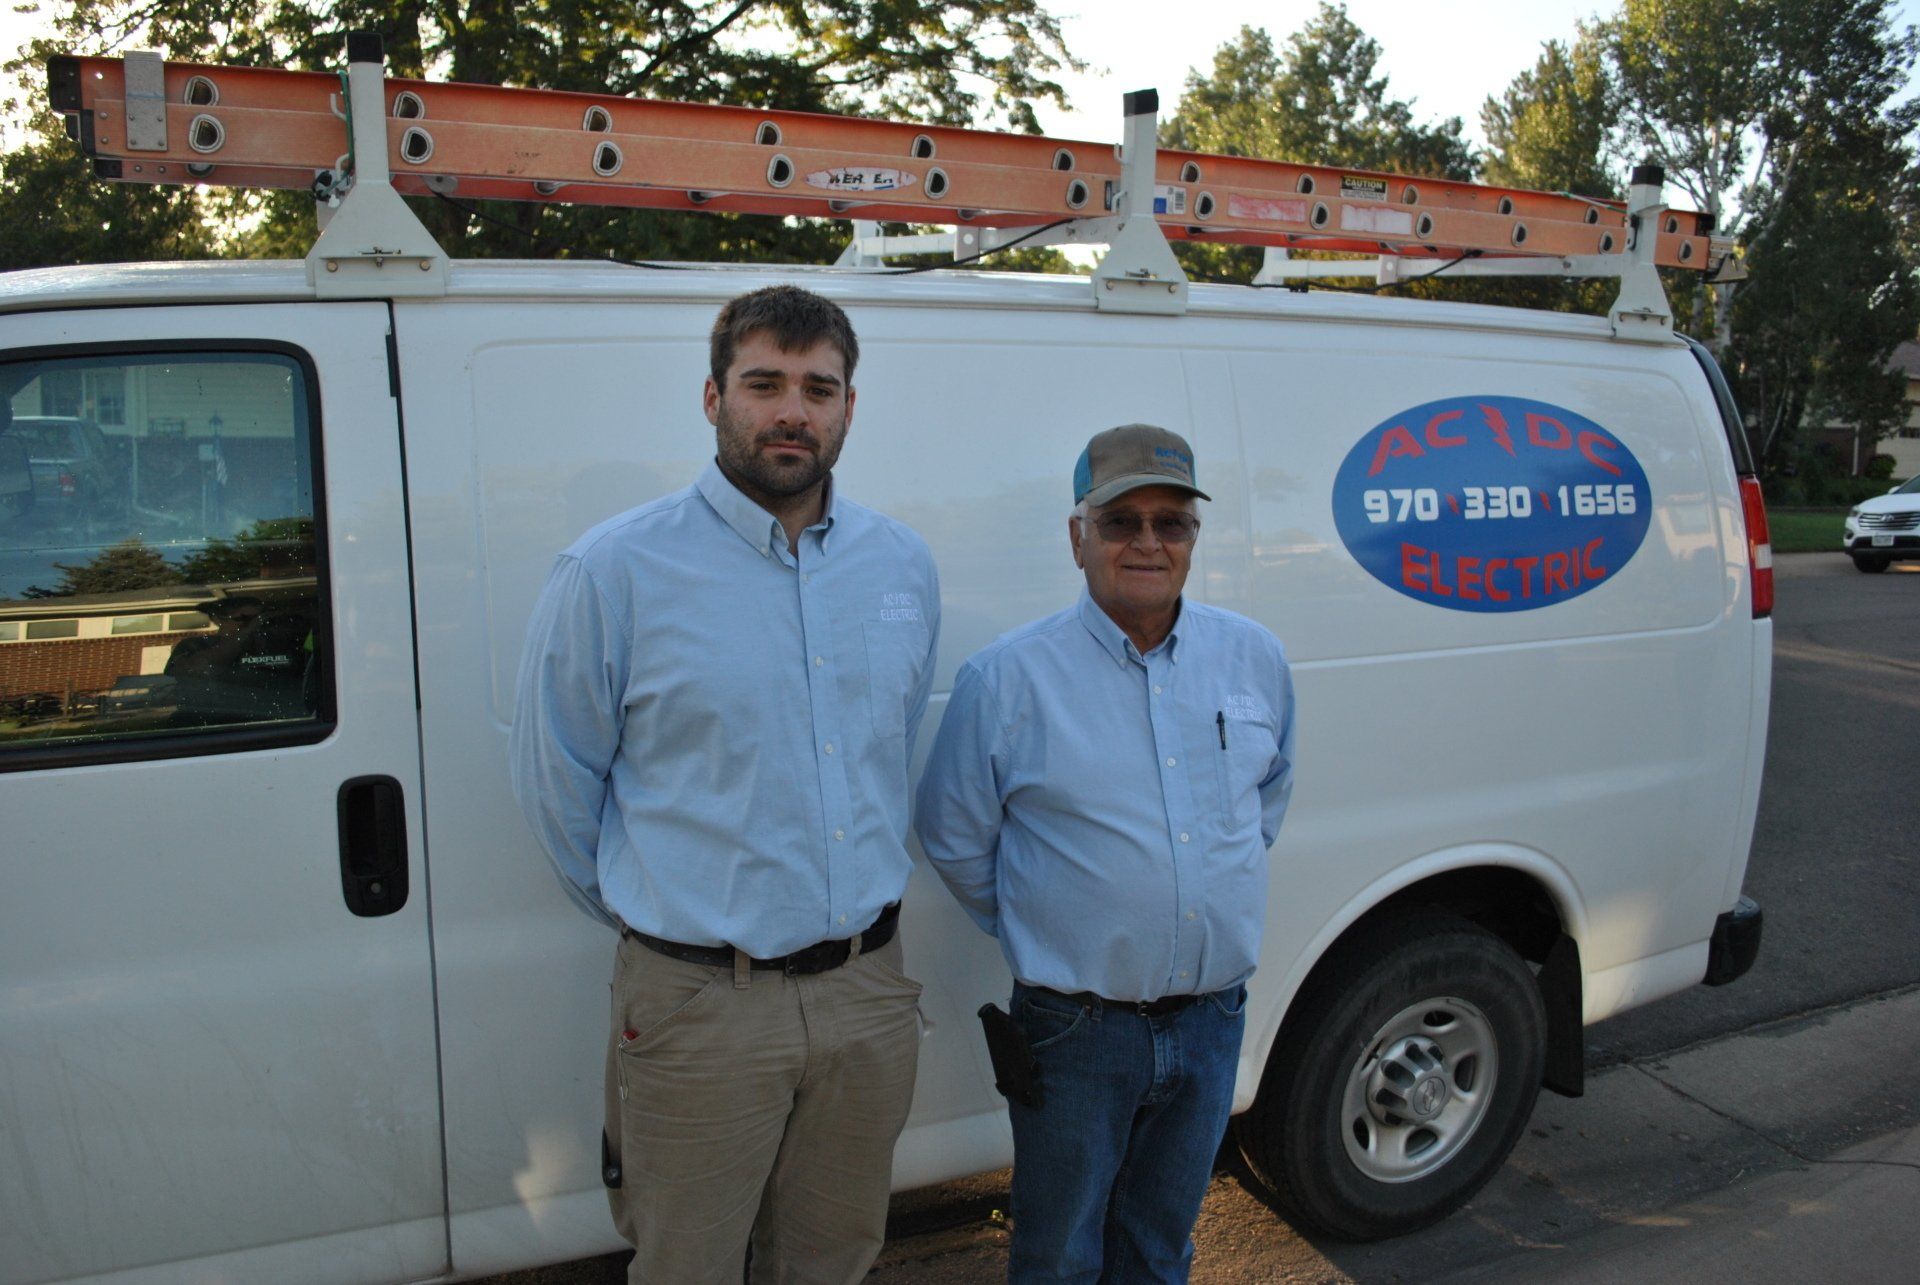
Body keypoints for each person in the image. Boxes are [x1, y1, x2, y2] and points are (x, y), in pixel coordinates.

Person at [509, 285, 939, 1285]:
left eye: (818, 388)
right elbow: (557, 785)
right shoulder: (614, 571)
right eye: (764, 383)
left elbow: (889, 746)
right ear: (713, 398)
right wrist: (673, 925)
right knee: (687, 1267)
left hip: (867, 992)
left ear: (848, 408)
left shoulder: (899, 564)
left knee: (834, 1260)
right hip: (701, 1003)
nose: (793, 410)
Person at [915, 424, 1295, 1284]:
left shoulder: (1254, 658)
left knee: (1160, 1246)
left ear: (1194, 537)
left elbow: (1266, 801)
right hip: (1075, 1031)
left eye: (1172, 521)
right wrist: (1045, 915)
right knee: (1057, 1252)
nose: (1148, 542)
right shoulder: (1008, 679)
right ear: (1078, 535)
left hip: (1210, 1021)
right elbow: (954, 832)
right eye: (1121, 520)